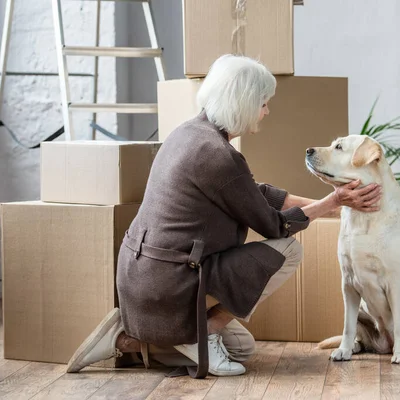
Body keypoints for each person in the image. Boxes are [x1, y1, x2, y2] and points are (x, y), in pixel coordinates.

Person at [64, 54, 382, 378]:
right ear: (243, 103)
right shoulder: (219, 156)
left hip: (142, 273)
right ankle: (200, 333)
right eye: (263, 103)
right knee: (289, 250)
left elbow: (253, 193)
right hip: (170, 281)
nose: (267, 111)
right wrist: (331, 202)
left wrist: (335, 202)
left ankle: (126, 340)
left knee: (242, 349)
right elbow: (274, 226)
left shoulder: (189, 133)